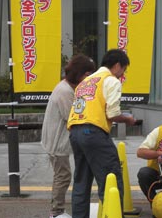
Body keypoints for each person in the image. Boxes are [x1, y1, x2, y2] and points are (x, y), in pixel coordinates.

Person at [67, 49, 137, 218]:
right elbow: (112, 113)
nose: (122, 75)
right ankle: (113, 215)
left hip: (75, 131)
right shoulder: (111, 81)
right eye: (123, 70)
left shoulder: (85, 82)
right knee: (111, 178)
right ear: (117, 65)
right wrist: (128, 119)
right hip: (93, 132)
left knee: (81, 182)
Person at [41, 54, 96, 218]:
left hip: (57, 142)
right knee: (63, 176)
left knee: (62, 175)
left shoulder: (68, 87)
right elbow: (73, 117)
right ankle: (56, 211)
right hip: (57, 143)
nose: (89, 78)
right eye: (87, 74)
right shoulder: (65, 91)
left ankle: (57, 210)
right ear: (79, 73)